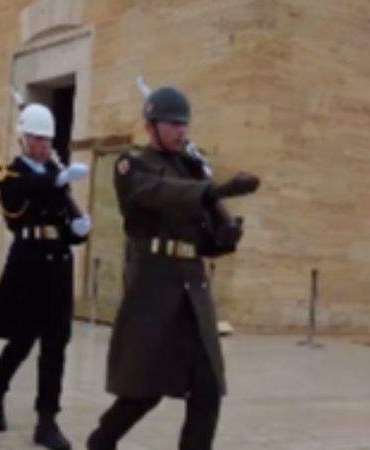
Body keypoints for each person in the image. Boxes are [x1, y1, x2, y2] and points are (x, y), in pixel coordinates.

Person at [86, 86, 260, 450]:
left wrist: (225, 234)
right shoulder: (133, 164)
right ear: (151, 126)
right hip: (154, 286)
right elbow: (157, 192)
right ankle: (102, 441)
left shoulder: (190, 167)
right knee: (143, 389)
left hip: (191, 288)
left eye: (185, 124)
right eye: (172, 124)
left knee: (208, 387)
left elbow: (203, 240)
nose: (181, 131)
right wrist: (211, 191)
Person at [0, 103, 91, 450]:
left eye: (47, 140)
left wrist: (77, 229)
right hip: (27, 262)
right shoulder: (7, 174)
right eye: (36, 139)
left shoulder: (54, 176)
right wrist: (55, 180)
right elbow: (15, 202)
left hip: (57, 263)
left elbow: (62, 223)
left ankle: (47, 419)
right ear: (22, 139)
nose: (43, 145)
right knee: (22, 339)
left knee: (56, 343)